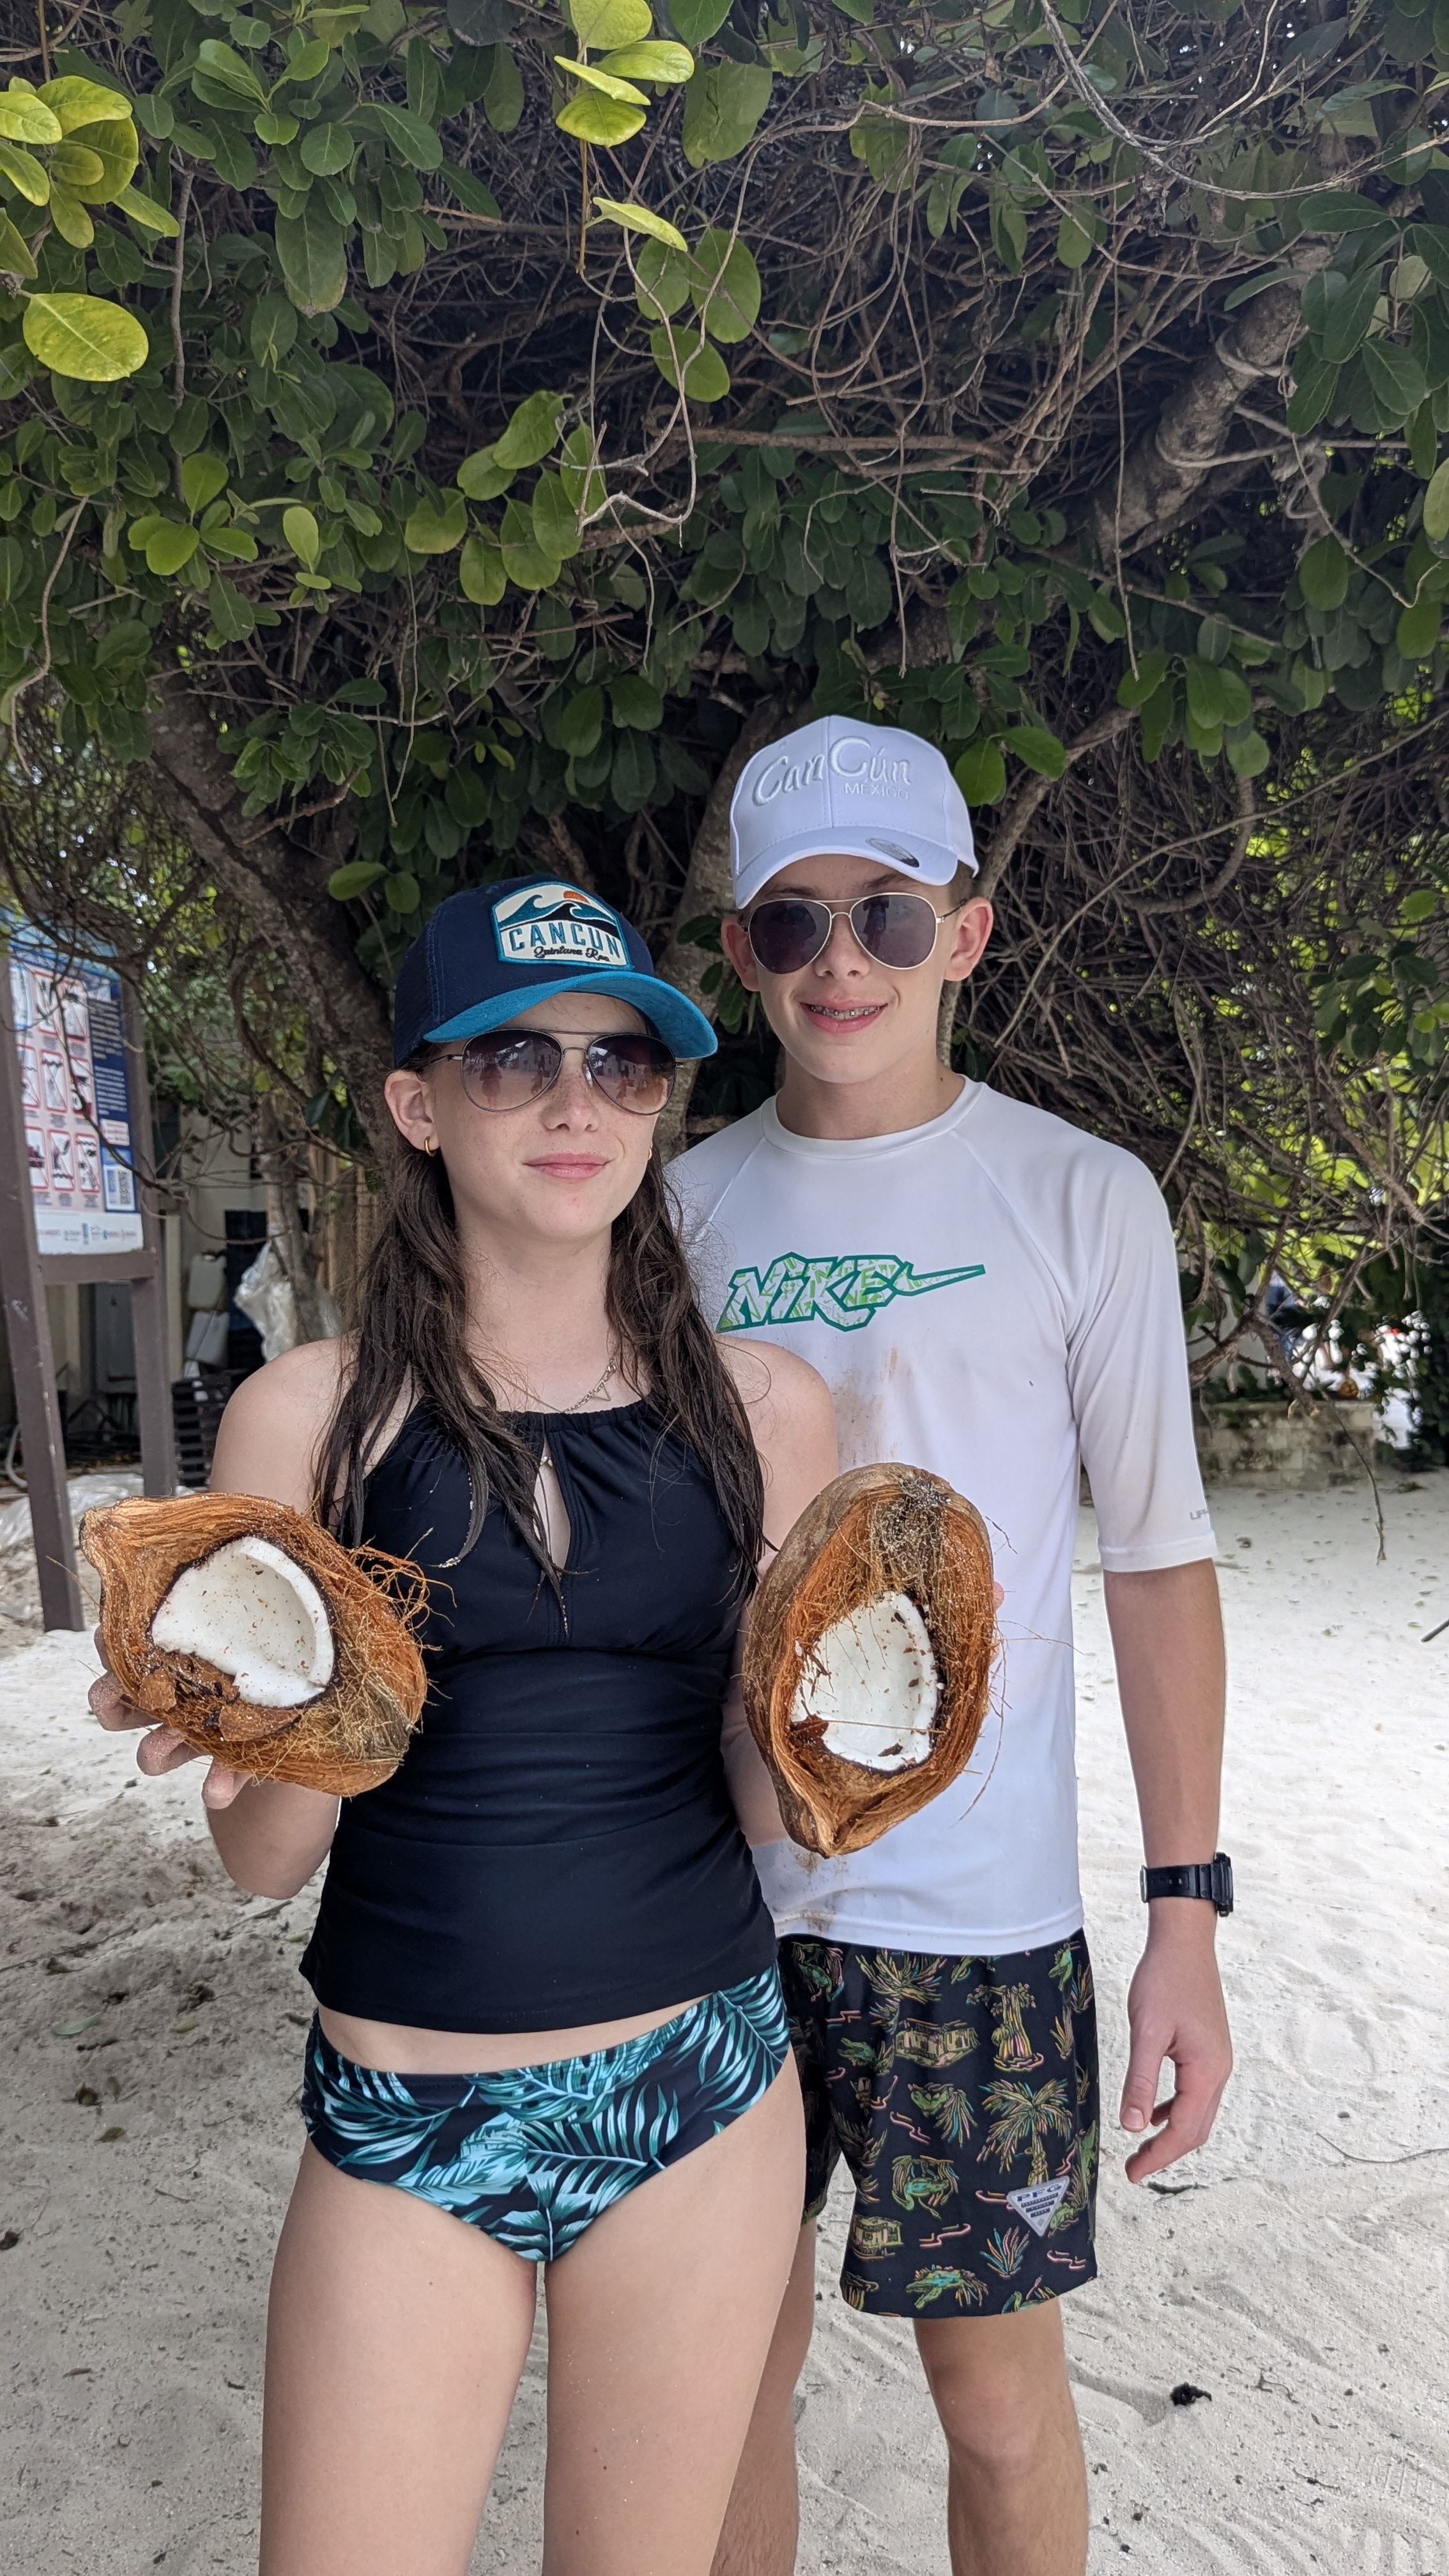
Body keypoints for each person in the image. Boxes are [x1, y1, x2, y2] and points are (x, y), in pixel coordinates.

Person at [93, 874, 838, 2576]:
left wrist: (844, 1739)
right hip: (405, 2109)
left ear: (659, 1102)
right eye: (513, 1059)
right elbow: (260, 1864)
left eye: (620, 1063)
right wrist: (273, 1721)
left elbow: (769, 1806)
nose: (576, 1102)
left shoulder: (767, 1407)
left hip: (697, 2092)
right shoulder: (307, 1415)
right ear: (419, 1105)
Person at [668, 719, 1233, 2576]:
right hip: (706, 1908)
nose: (841, 962)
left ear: (965, 935)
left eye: (888, 917)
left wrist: (1183, 1916)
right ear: (741, 952)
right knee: (718, 2396)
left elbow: (1159, 1564)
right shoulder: (672, 1208)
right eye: (792, 922)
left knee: (993, 2409)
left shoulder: (1080, 1198)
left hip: (976, 1923)